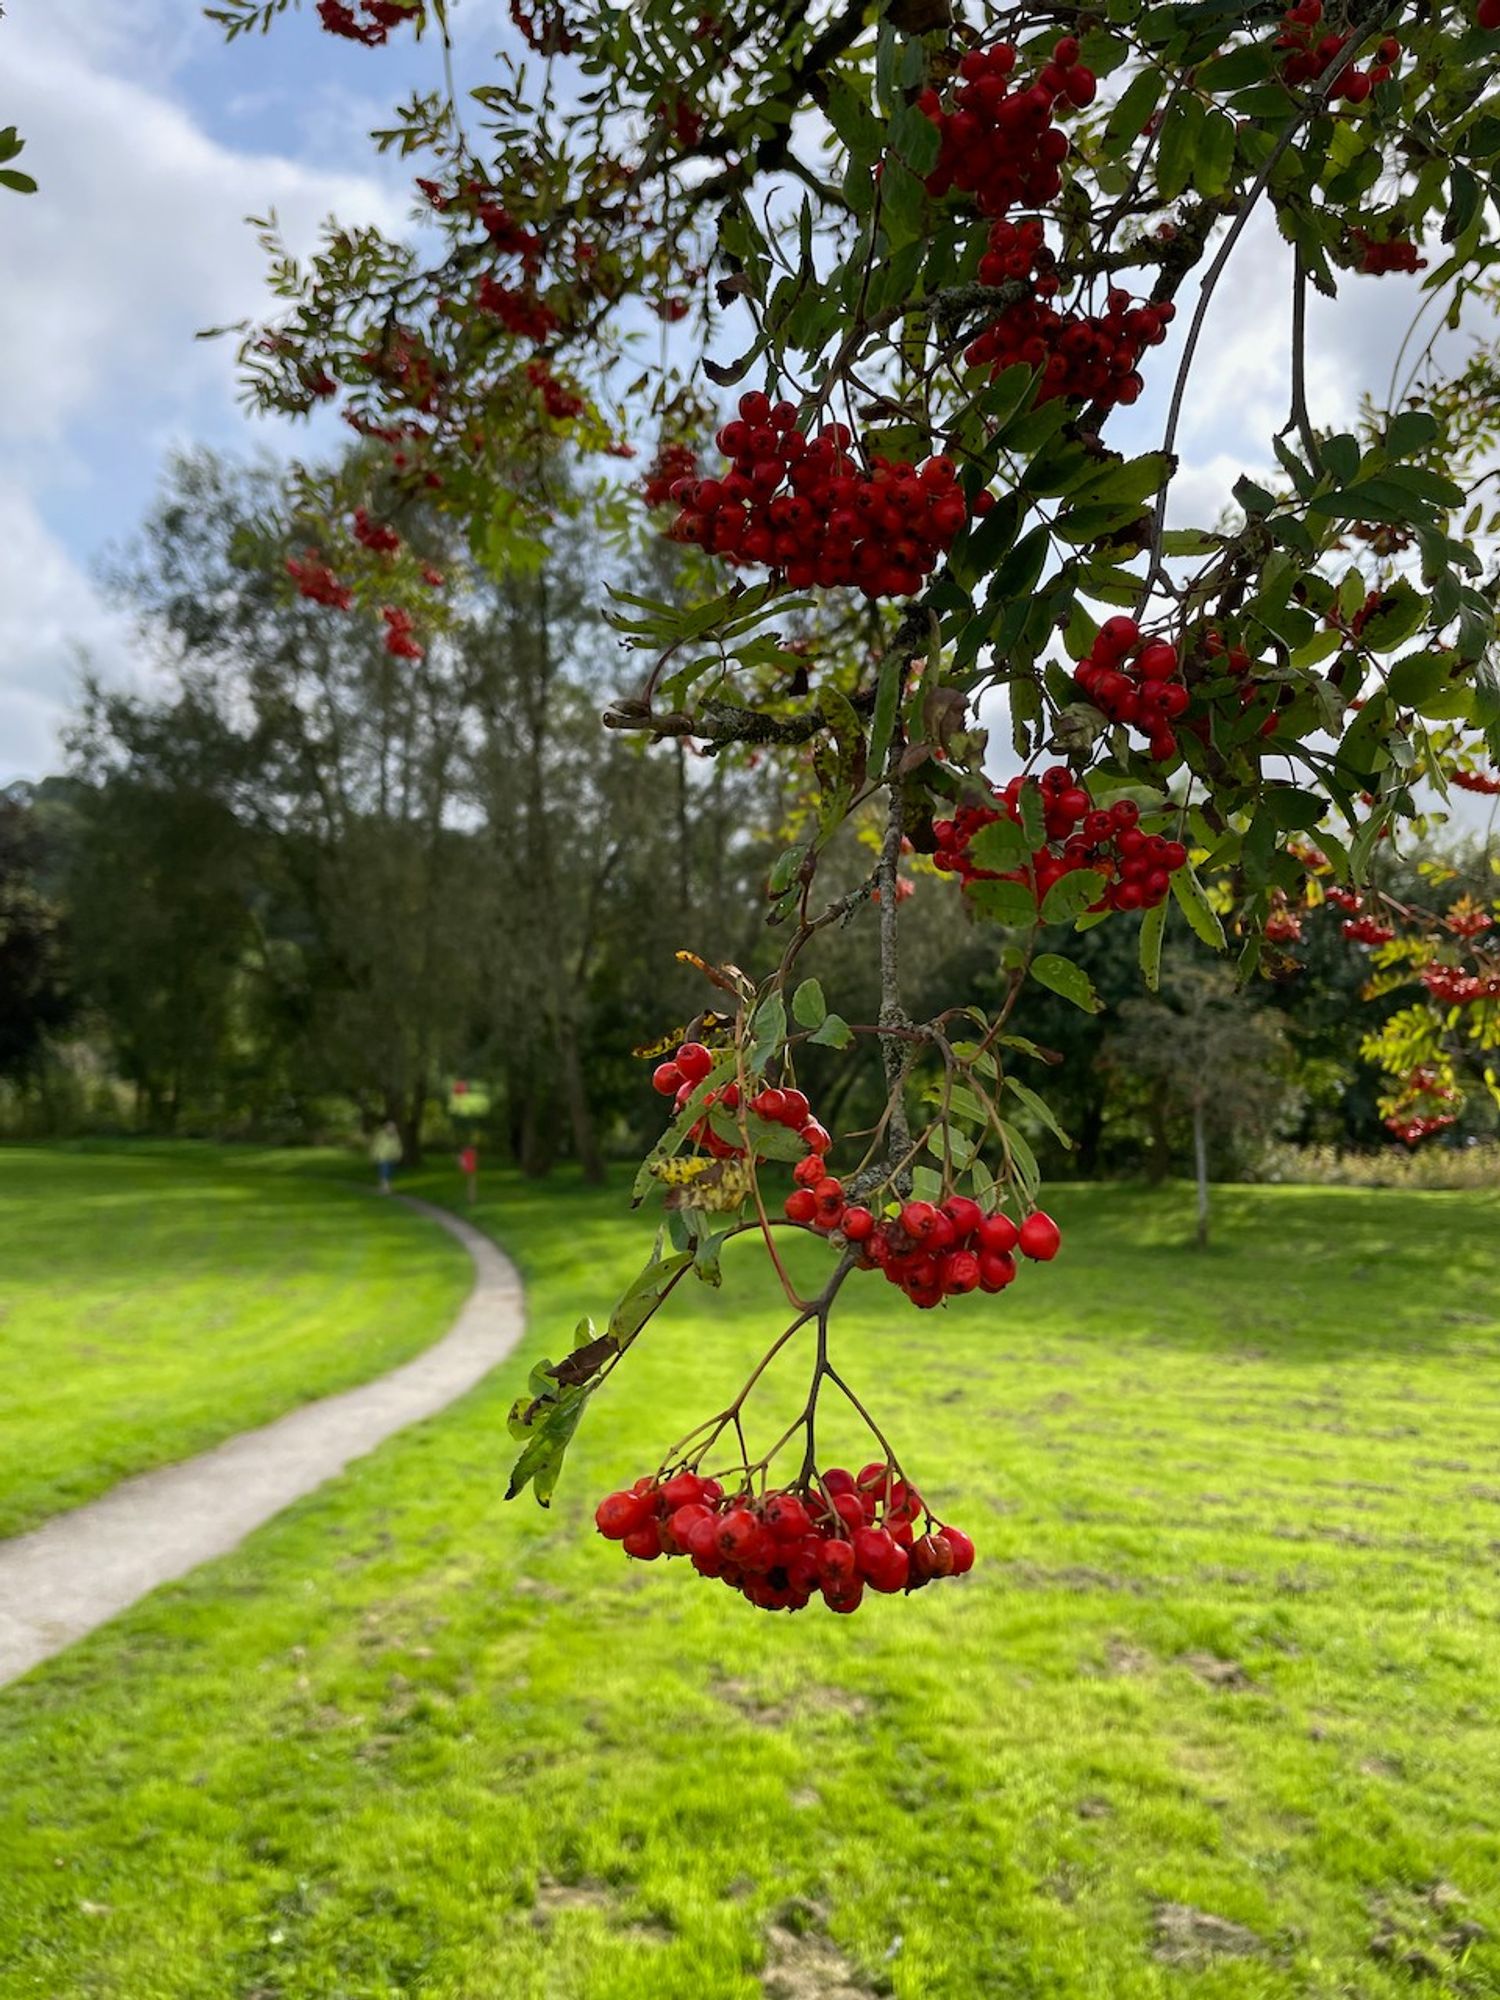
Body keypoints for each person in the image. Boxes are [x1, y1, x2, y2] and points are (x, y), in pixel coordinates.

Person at [371, 1120, 402, 1194]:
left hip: (392, 1158)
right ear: (386, 1128)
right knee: (385, 1172)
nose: (392, 1129)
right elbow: (376, 1145)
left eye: (394, 1128)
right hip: (383, 1157)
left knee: (390, 1173)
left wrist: (399, 1155)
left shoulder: (396, 1136)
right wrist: (374, 1156)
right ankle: (386, 1188)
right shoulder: (381, 1135)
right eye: (391, 1127)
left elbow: (399, 1146)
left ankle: (384, 1187)